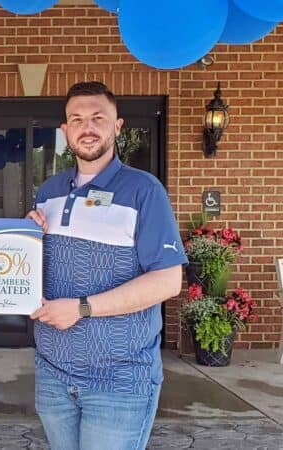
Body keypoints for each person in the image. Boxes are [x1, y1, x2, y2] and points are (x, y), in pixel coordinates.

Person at [27, 81, 187, 450]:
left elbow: (167, 281)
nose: (87, 127)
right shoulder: (49, 191)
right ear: (65, 131)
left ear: (117, 127)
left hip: (119, 380)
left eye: (98, 118)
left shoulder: (144, 191)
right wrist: (24, 237)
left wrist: (82, 308)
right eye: (77, 119)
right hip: (52, 373)